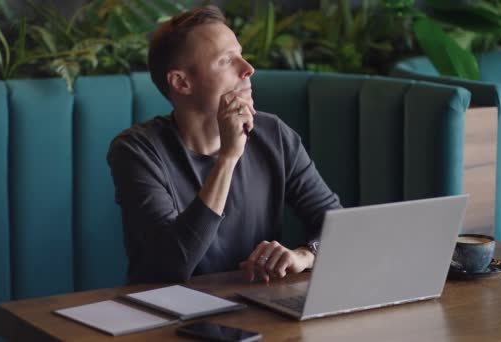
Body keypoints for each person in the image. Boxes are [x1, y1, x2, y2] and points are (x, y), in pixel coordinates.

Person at [107, 5, 341, 284]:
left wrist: (305, 255)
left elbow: (338, 226)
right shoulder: (135, 151)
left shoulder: (273, 134)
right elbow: (173, 265)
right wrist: (228, 158)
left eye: (241, 55)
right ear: (181, 82)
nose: (248, 69)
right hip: (166, 319)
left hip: (257, 309)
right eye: (226, 60)